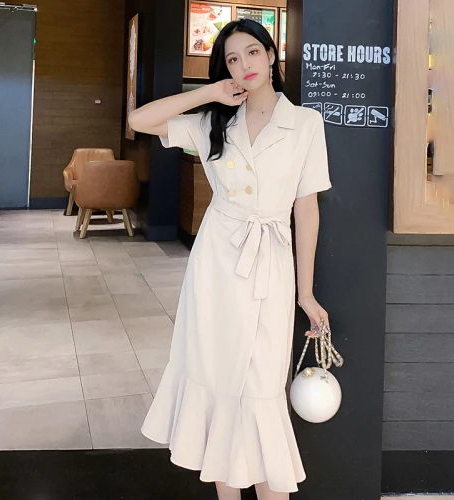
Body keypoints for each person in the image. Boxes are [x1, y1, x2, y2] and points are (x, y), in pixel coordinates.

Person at [128, 18, 331, 500]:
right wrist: (209, 94)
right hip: (215, 267)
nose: (244, 65)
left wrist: (305, 293)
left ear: (272, 55)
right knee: (216, 383)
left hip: (270, 266)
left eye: (252, 53)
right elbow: (139, 121)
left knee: (260, 389)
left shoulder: (305, 123)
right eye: (232, 60)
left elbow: (307, 210)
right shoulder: (213, 123)